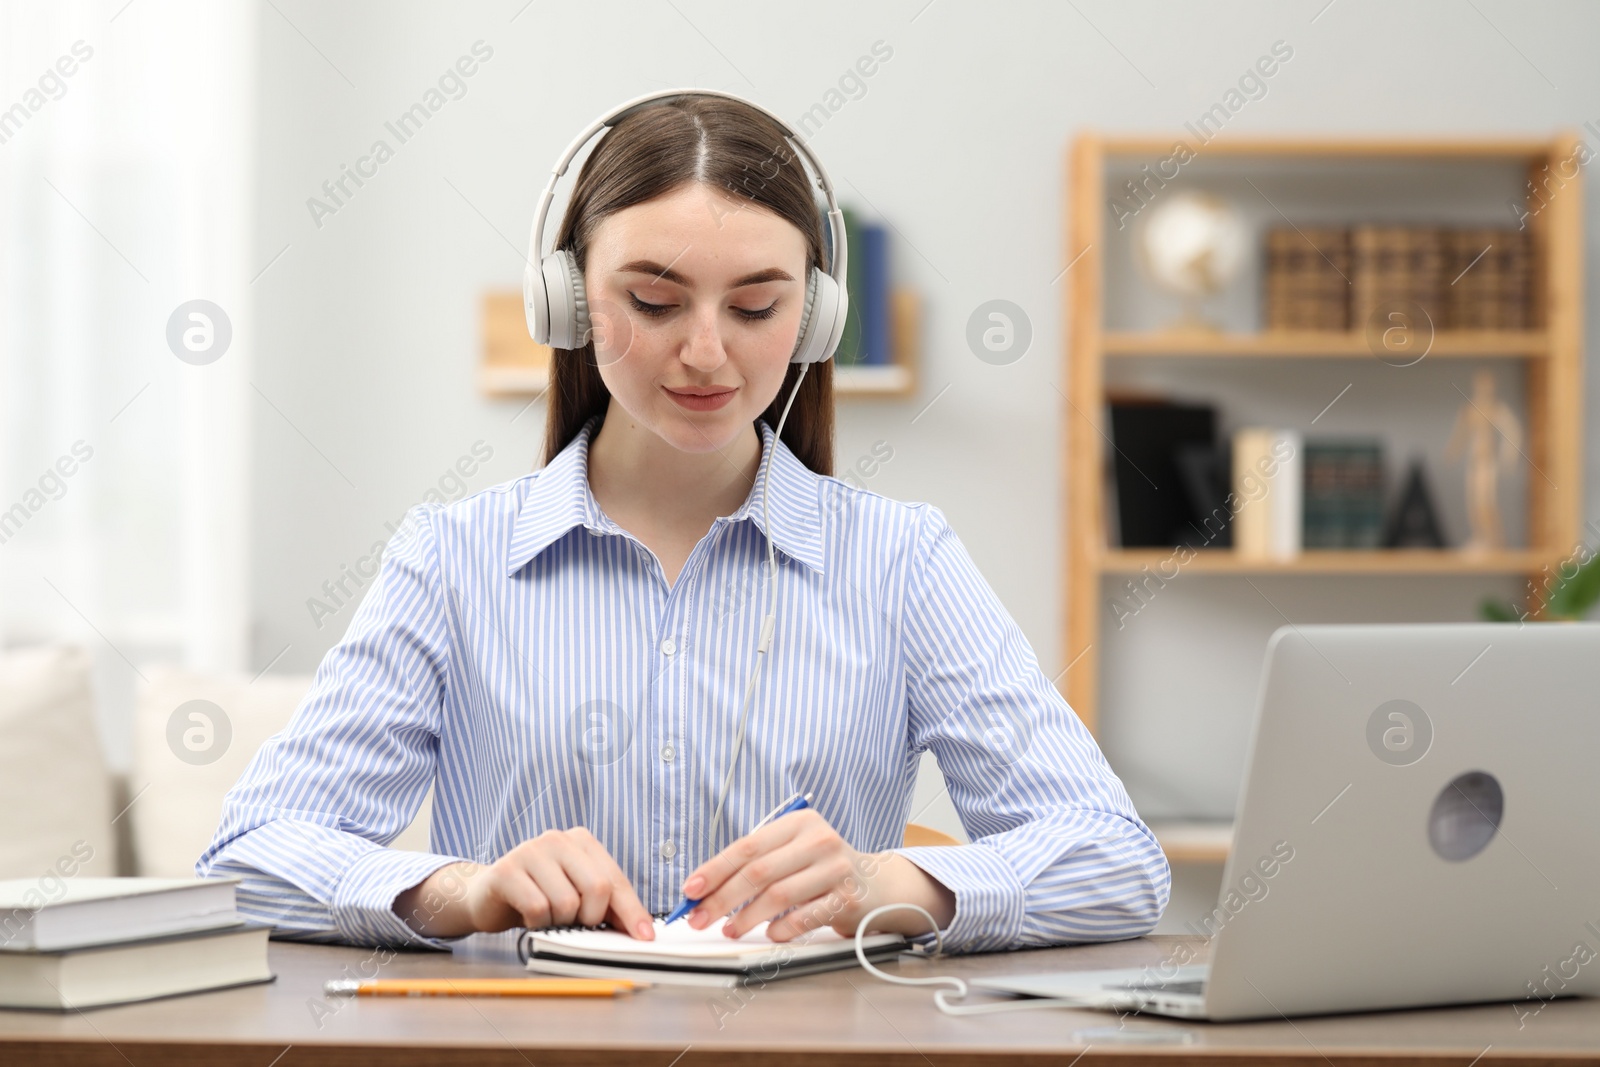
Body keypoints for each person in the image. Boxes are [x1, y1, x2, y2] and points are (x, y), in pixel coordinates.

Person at [197, 91, 1169, 954]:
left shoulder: (899, 559)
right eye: (653, 299)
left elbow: (1115, 860)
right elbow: (248, 855)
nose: (706, 351)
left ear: (816, 317)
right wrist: (465, 889)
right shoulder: (452, 559)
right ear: (568, 299)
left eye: (755, 306)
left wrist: (886, 882)